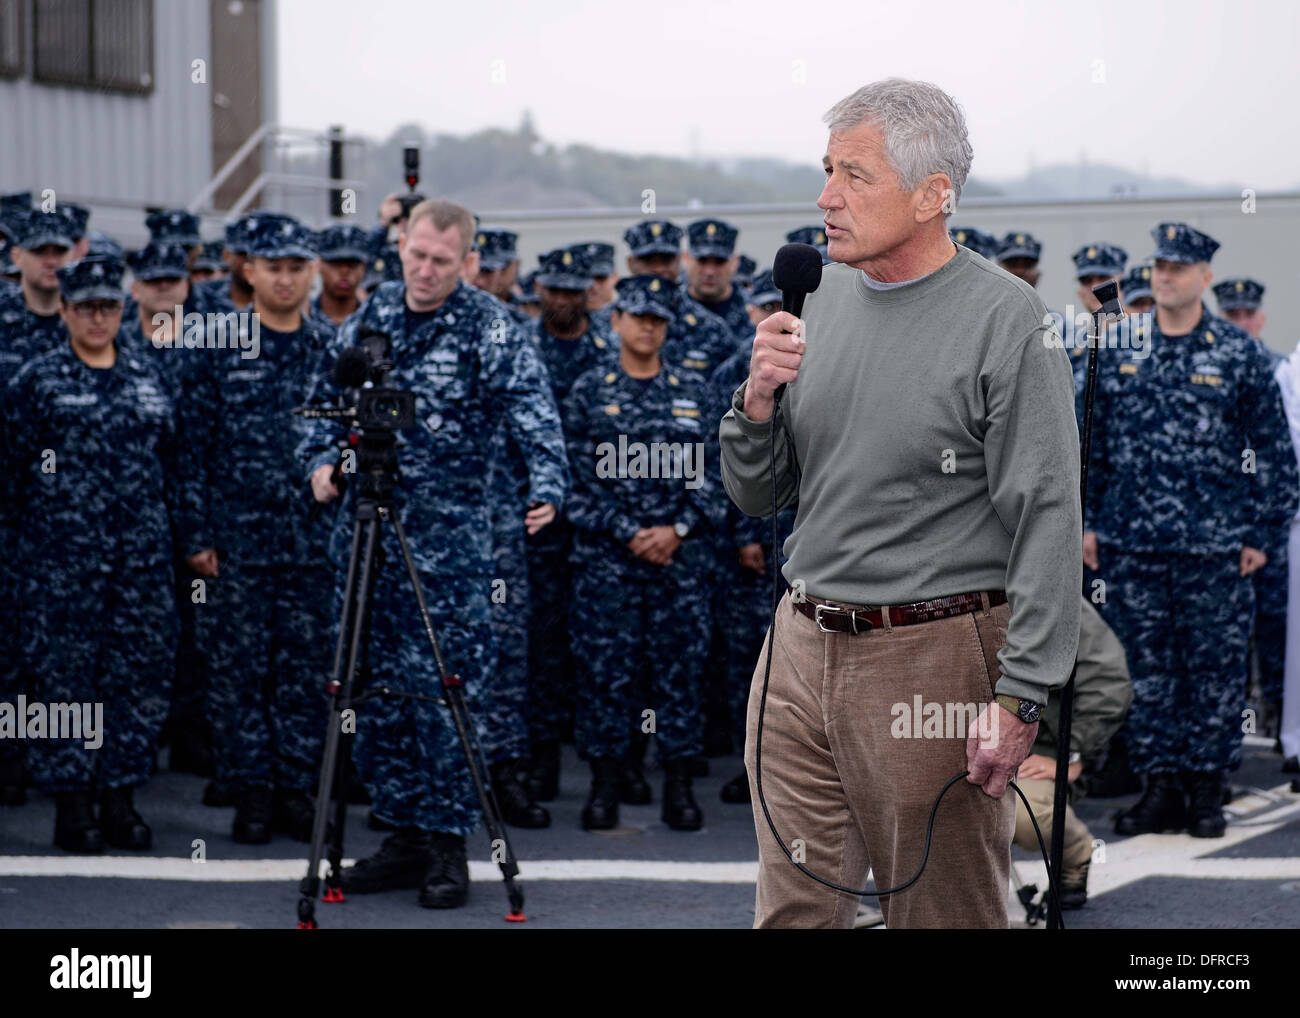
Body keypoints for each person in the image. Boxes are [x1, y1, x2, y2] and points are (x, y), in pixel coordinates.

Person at [719, 78, 1081, 929]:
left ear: (933, 196)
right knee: (794, 913)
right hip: (799, 651)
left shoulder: (1007, 320)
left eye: (854, 174)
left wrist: (1022, 696)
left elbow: (1048, 519)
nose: (825, 197)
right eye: (825, 168)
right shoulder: (818, 298)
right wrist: (755, 406)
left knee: (942, 914)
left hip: (931, 658)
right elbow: (760, 493)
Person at [305, 199, 568, 909]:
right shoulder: (372, 314)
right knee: (374, 696)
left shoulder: (490, 327)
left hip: (447, 551)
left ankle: (448, 844)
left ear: (469, 262)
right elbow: (321, 407)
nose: (424, 271)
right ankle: (402, 836)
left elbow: (533, 410)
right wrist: (321, 464)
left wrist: (547, 482)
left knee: (445, 697)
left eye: (441, 261)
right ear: (402, 246)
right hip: (366, 541)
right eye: (415, 255)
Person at [1086, 222, 1299, 838]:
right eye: (1159, 267)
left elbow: (1274, 451)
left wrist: (1261, 531)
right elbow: (1091, 443)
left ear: (1205, 276)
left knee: (1215, 671)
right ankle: (1159, 786)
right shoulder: (1122, 347)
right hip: (1132, 545)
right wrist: (1090, 522)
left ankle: (1206, 789)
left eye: (1179, 268)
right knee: (1146, 669)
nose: (1165, 276)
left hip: (1215, 548)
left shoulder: (1237, 353)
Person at [0, 254, 180, 852]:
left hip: (142, 565)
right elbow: (12, 473)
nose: (97, 318)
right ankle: (73, 803)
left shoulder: (151, 376)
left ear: (122, 310)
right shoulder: (37, 381)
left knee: (137, 679)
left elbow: (173, 466)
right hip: (61, 564)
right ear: (67, 312)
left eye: (107, 306)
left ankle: (120, 795)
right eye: (85, 308)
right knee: (64, 684)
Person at [176, 213, 337, 845]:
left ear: (311, 272)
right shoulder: (217, 343)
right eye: (275, 268)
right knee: (237, 673)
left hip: (311, 542)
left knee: (305, 673)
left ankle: (298, 790)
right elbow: (191, 448)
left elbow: (348, 443)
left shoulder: (330, 346)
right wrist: (195, 533)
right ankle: (252, 793)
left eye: (298, 268)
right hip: (236, 542)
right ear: (250, 270)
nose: (287, 280)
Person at [564, 274, 717, 831]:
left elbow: (719, 475)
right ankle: (605, 784)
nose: (648, 327)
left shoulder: (693, 393)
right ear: (616, 321)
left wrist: (675, 528)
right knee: (607, 673)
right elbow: (573, 485)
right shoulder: (589, 392)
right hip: (609, 564)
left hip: (679, 562)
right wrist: (628, 530)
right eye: (638, 317)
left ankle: (678, 785)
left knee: (680, 672)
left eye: (659, 319)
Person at [520, 245, 616, 802]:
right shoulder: (522, 348)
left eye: (570, 289)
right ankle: (542, 759)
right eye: (551, 289)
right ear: (539, 290)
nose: (560, 299)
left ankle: (612, 761)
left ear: (588, 292)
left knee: (603, 646)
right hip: (537, 524)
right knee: (543, 645)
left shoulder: (610, 349)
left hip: (601, 526)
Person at [707, 268, 796, 804]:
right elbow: (726, 453)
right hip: (756, 536)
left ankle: (792, 764)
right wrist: (746, 534)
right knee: (754, 655)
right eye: (764, 309)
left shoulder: (821, 359)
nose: (774, 318)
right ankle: (754, 763)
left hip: (807, 533)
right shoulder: (733, 370)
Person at [1012, 598, 1132, 910]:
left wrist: (1072, 753)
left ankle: (1075, 853)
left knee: (1024, 817)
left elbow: (1108, 683)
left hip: (1032, 749)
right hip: (945, 739)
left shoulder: (1047, 593)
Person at [623, 219, 735, 381]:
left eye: (667, 260)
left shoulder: (710, 328)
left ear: (679, 261)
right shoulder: (609, 323)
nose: (659, 269)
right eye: (649, 261)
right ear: (631, 264)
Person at [685, 218, 750, 344]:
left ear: (735, 262)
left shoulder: (754, 311)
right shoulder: (668, 310)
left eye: (719, 262)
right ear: (686, 259)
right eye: (702, 260)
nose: (710, 272)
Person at [312, 224, 369, 325]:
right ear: (319, 266)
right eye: (335, 263)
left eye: (352, 264)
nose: (344, 271)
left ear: (363, 268)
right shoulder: (301, 319)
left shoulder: (376, 322)